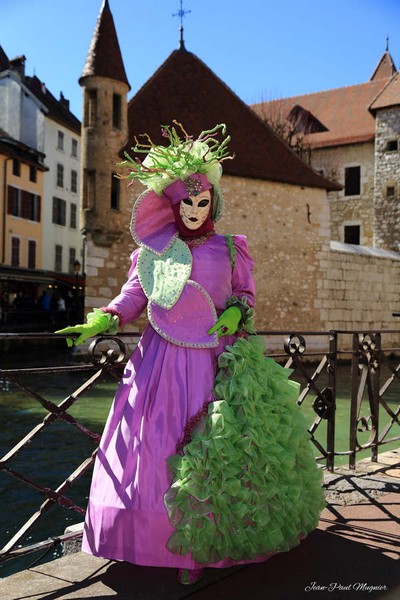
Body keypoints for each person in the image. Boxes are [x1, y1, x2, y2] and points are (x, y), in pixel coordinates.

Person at [57, 123, 324, 585]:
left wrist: (235, 317)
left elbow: (245, 296)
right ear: (172, 204)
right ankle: (152, 541)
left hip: (219, 365)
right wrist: (104, 319)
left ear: (212, 204)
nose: (196, 211)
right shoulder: (154, 251)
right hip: (159, 364)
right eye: (188, 202)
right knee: (153, 449)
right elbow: (133, 297)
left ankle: (210, 543)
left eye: (203, 203)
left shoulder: (231, 249)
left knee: (218, 452)